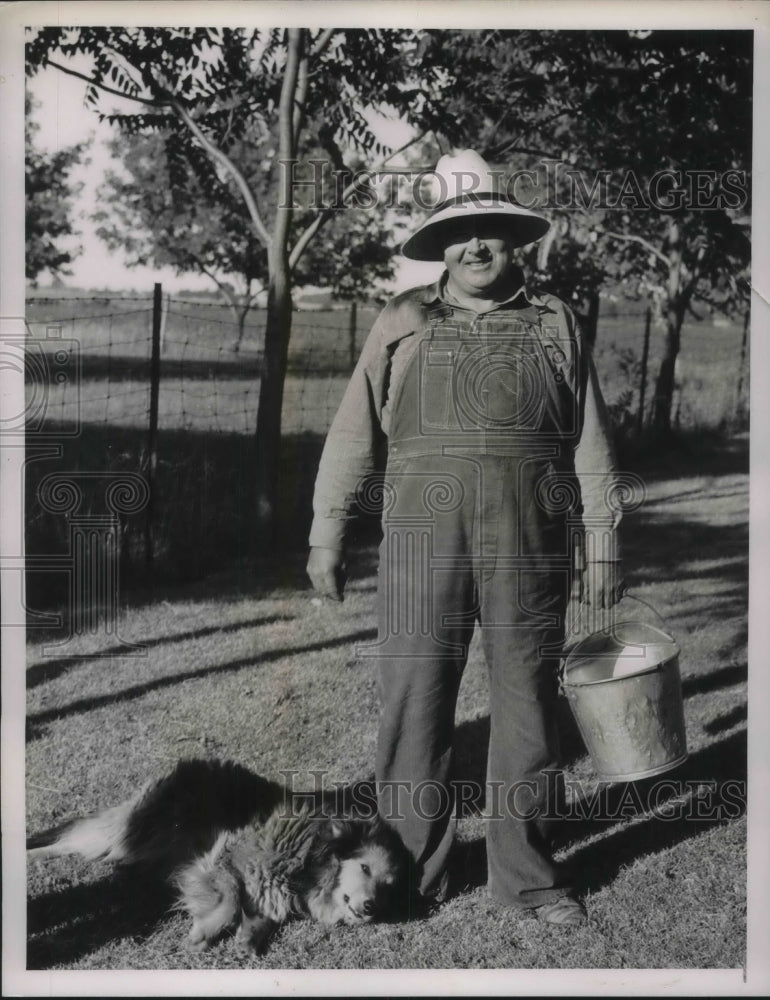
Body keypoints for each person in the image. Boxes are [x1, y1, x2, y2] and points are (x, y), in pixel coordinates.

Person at [306, 150, 625, 926]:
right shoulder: (403, 319)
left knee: (528, 707)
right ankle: (404, 872)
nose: (475, 246)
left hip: (532, 541)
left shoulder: (555, 322)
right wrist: (327, 532)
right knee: (415, 704)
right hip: (422, 538)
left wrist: (605, 540)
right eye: (459, 233)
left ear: (515, 240)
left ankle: (531, 877)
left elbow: (589, 443)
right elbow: (353, 434)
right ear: (438, 246)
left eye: (490, 230)